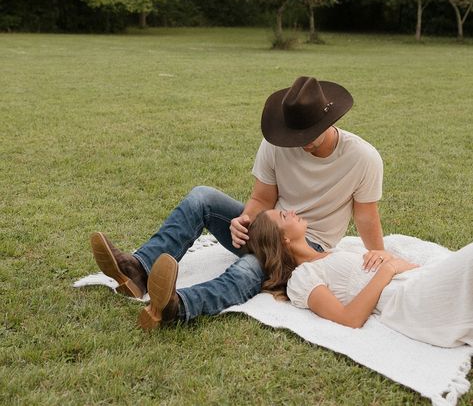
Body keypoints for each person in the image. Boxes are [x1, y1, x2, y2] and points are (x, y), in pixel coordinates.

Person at [91, 75, 386, 328]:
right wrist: (244, 220)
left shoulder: (362, 158)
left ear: (329, 119)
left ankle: (177, 306)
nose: (301, 141)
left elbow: (366, 217)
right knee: (202, 196)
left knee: (248, 269)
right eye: (296, 134)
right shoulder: (277, 143)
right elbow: (262, 198)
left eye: (308, 134)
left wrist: (381, 256)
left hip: (306, 246)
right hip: (268, 225)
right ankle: (139, 270)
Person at [239, 210, 472, 348]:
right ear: (284, 240)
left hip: (419, 280)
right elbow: (349, 319)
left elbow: (407, 266)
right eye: (283, 215)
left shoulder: (339, 248)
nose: (291, 211)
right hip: (408, 301)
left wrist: (390, 262)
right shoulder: (302, 278)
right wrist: (386, 270)